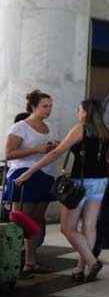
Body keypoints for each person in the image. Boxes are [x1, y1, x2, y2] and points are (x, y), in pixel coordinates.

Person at [16, 99, 109, 282]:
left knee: (67, 228)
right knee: (89, 225)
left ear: (85, 112)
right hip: (100, 181)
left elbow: (55, 153)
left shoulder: (80, 128)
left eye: (79, 110)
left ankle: (91, 261)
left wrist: (29, 172)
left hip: (79, 183)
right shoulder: (106, 132)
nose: (77, 113)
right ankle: (82, 267)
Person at [3, 91, 57, 277]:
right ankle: (12, 260)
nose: (49, 110)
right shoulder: (20, 127)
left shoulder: (49, 127)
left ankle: (30, 262)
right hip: (24, 175)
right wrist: (37, 149)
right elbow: (9, 154)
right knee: (21, 219)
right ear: (33, 106)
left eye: (50, 106)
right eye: (45, 106)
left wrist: (52, 147)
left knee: (37, 220)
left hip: (45, 175)